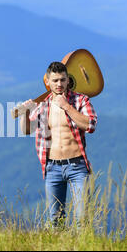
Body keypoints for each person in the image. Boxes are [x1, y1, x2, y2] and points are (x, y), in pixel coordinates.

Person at [19, 61, 98, 227]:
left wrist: (67, 107)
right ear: (47, 82)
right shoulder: (42, 105)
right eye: (55, 80)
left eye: (62, 80)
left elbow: (90, 125)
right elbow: (27, 130)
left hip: (77, 167)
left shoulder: (80, 100)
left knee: (81, 220)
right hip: (52, 168)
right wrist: (25, 114)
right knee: (55, 221)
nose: (59, 84)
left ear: (68, 80)